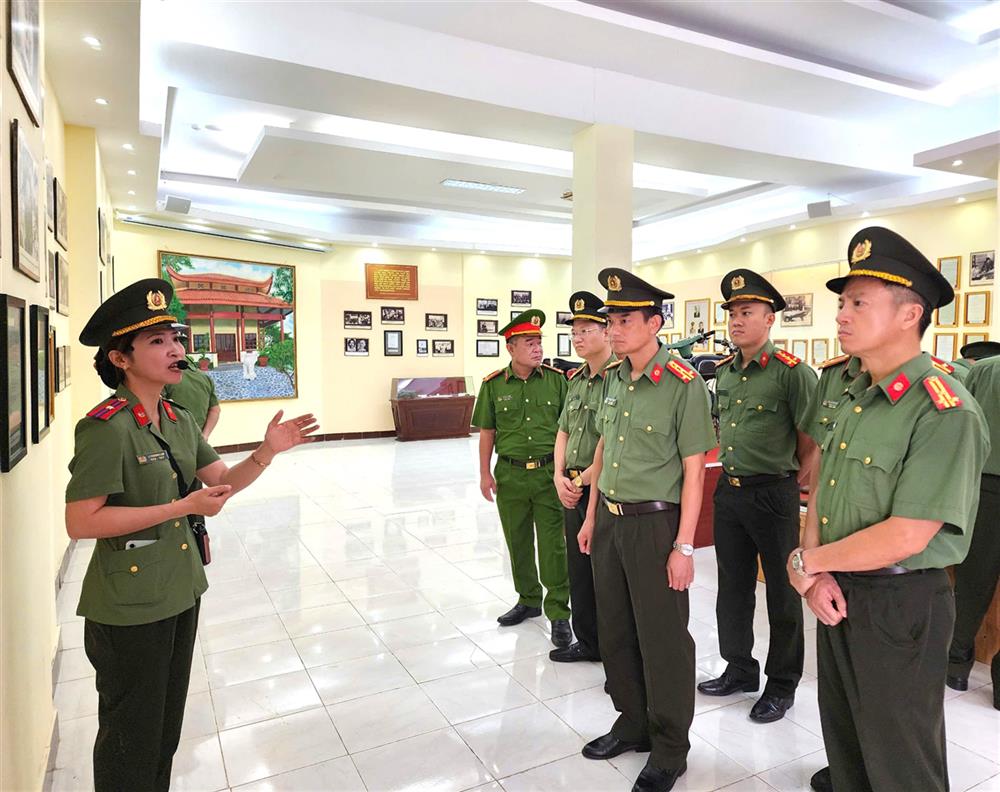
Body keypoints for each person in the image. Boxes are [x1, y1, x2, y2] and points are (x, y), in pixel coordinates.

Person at [67, 278, 318, 791]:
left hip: (180, 588)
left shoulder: (178, 418)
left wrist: (266, 452)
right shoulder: (106, 427)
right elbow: (81, 521)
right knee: (130, 733)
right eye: (156, 342)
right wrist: (180, 507)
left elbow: (222, 485)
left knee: (164, 729)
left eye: (174, 338)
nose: (175, 349)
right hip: (129, 603)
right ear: (121, 359)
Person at [785, 228, 988, 792]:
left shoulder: (944, 410)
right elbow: (822, 486)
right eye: (842, 303)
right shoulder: (857, 396)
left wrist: (807, 561)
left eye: (858, 303)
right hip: (840, 591)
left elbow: (908, 533)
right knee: (847, 746)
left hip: (902, 603)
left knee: (900, 759)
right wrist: (814, 567)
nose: (842, 315)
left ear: (909, 314)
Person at [578, 269, 716, 792]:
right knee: (615, 630)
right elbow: (604, 450)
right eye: (610, 318)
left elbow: (694, 470)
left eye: (624, 319)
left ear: (654, 323)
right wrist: (591, 516)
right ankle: (631, 721)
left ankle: (669, 746)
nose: (613, 327)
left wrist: (684, 546)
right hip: (610, 521)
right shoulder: (612, 378)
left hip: (656, 524)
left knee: (662, 639)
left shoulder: (682, 384)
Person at [698, 269, 817, 723]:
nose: (736, 320)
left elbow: (811, 439)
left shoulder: (792, 374)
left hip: (773, 494)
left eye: (747, 312)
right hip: (729, 491)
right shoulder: (725, 372)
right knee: (732, 586)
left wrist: (791, 478)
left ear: (769, 319)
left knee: (783, 593)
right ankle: (739, 668)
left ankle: (782, 683)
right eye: (732, 313)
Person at [471, 309, 572, 647]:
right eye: (529, 342)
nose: (537, 348)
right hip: (510, 475)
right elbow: (487, 431)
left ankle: (558, 611)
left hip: (547, 474)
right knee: (517, 541)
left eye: (539, 342)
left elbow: (567, 431)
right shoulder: (493, 385)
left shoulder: (558, 381)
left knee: (553, 545)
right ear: (510, 348)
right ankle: (528, 599)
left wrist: (563, 473)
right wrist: (485, 473)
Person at [550, 291, 615, 663]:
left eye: (586, 329)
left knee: (602, 574)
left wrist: (584, 479)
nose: (577, 337)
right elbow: (563, 431)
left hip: (599, 489)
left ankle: (610, 646)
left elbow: (610, 441)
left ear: (606, 333)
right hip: (571, 486)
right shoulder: (576, 380)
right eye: (574, 330)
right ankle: (587, 641)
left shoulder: (618, 379)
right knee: (578, 569)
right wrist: (560, 475)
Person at [947, 349, 1000, 709]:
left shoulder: (985, 370)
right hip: (985, 485)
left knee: (972, 581)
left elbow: (966, 425)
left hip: (986, 488)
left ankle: (956, 662)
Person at [163, 354, 221, 439]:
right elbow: (215, 410)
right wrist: (205, 436)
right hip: (199, 441)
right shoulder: (205, 377)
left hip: (173, 442)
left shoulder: (164, 379)